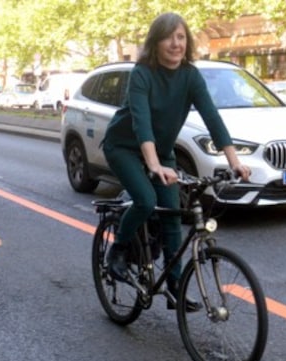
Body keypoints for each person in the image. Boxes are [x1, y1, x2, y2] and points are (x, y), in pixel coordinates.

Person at [102, 12, 251, 312]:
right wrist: (154, 165)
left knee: (172, 216)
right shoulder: (142, 73)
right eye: (169, 37)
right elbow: (141, 123)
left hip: (162, 152)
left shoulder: (190, 76)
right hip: (125, 147)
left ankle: (175, 288)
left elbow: (212, 117)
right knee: (144, 200)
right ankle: (117, 252)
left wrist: (234, 161)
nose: (176, 43)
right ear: (155, 42)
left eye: (181, 37)